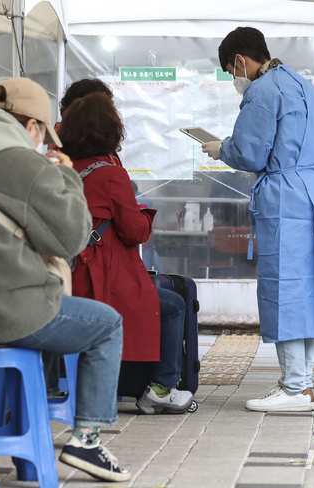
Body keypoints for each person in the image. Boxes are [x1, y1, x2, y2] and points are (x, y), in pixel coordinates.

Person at [0, 77, 130, 482]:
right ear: (32, 126)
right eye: (43, 133)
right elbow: (72, 238)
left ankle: (21, 425)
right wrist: (67, 178)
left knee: (51, 306)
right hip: (5, 316)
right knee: (106, 325)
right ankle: (86, 440)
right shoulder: (24, 164)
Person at [201, 27, 314, 412]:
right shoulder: (307, 88)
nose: (234, 79)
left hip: (285, 199)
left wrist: (219, 148)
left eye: (231, 70)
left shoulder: (263, 91)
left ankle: (294, 389)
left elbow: (250, 154)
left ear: (240, 61)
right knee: (307, 287)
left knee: (283, 289)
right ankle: (304, 384)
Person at [58, 91, 194, 415]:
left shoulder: (63, 168)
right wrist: (145, 214)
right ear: (109, 131)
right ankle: (162, 388)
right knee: (174, 305)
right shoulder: (110, 174)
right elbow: (134, 231)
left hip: (68, 276)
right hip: (103, 280)